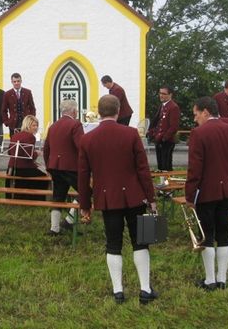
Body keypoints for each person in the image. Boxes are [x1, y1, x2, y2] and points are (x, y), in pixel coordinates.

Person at [78, 95, 157, 305]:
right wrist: (152, 197)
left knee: (113, 244)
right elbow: (143, 169)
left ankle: (118, 291)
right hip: (134, 196)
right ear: (118, 110)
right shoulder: (131, 134)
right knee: (140, 242)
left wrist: (84, 206)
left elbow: (83, 176)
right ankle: (145, 289)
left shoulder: (87, 139)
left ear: (100, 112)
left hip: (107, 198)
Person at [185, 97, 228, 291]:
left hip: (206, 192)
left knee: (207, 235)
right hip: (227, 191)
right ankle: (222, 280)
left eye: (196, 114)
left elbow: (195, 169)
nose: (195, 119)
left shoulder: (199, 133)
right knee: (223, 234)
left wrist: (190, 195)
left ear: (205, 112)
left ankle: (210, 280)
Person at [44, 99, 84, 235]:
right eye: (76, 110)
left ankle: (54, 229)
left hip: (55, 166)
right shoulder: (76, 124)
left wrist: (48, 166)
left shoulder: (53, 126)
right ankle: (69, 221)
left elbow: (46, 148)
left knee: (58, 196)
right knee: (86, 191)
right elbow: (81, 147)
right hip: (70, 167)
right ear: (73, 111)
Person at [7, 115, 48, 200]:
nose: (36, 127)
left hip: (11, 168)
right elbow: (29, 157)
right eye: (33, 125)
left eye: (37, 125)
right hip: (23, 169)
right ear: (27, 125)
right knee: (44, 176)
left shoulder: (15, 135)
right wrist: (37, 153)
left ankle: (20, 197)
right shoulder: (30, 137)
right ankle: (37, 198)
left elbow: (10, 152)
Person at [147, 85, 180, 171]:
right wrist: (152, 132)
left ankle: (167, 183)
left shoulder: (173, 107)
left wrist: (164, 138)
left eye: (164, 93)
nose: (161, 95)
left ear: (170, 95)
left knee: (166, 165)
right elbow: (157, 120)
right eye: (160, 93)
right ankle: (163, 183)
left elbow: (174, 127)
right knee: (160, 165)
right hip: (158, 139)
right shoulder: (162, 105)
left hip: (167, 141)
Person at [2, 73, 36, 137]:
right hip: (13, 123)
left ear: (21, 81)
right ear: (12, 82)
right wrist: (7, 122)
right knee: (14, 142)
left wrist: (31, 120)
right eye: (14, 81)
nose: (16, 83)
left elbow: (32, 108)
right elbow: (3, 110)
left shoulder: (27, 92)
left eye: (18, 81)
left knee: (26, 141)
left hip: (26, 123)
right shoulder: (7, 94)